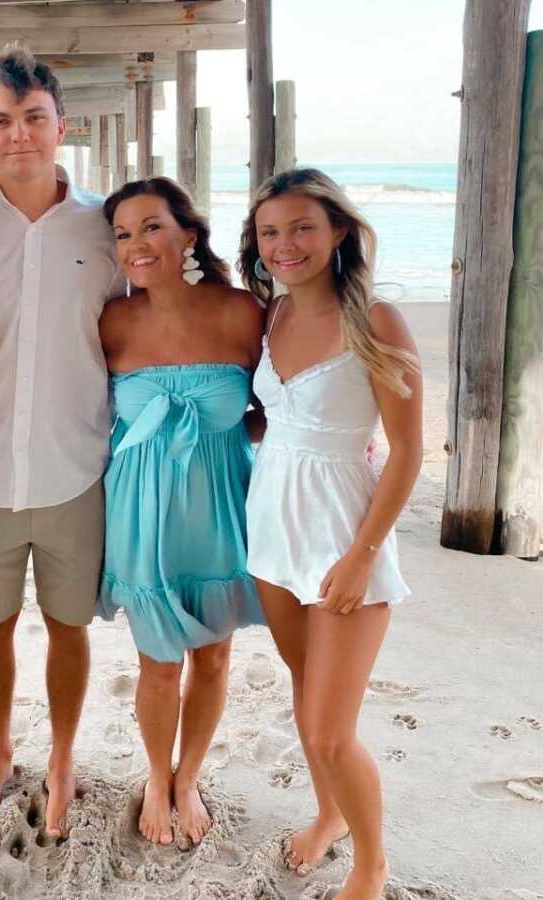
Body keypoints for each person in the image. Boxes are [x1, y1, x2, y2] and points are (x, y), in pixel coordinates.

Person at [0, 47, 122, 838]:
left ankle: (61, 755)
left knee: (67, 625)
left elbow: (158, 316)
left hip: (74, 464)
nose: (19, 135)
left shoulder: (105, 225)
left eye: (34, 119)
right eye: (1, 121)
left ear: (63, 125)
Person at [239, 168, 423, 899]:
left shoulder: (376, 320)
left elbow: (405, 451)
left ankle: (371, 864)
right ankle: (328, 815)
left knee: (327, 731)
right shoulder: (272, 315)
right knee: (305, 690)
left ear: (339, 231)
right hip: (273, 531)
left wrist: (360, 556)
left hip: (346, 537)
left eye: (303, 228)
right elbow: (274, 420)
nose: (286, 245)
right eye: (270, 232)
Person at [97, 177, 265, 846]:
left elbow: (277, 407)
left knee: (215, 660)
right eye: (122, 234)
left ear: (187, 234)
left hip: (221, 507)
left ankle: (188, 775)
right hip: (139, 515)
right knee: (158, 664)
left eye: (151, 227)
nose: (136, 244)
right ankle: (155, 777)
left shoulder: (242, 312)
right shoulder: (112, 320)